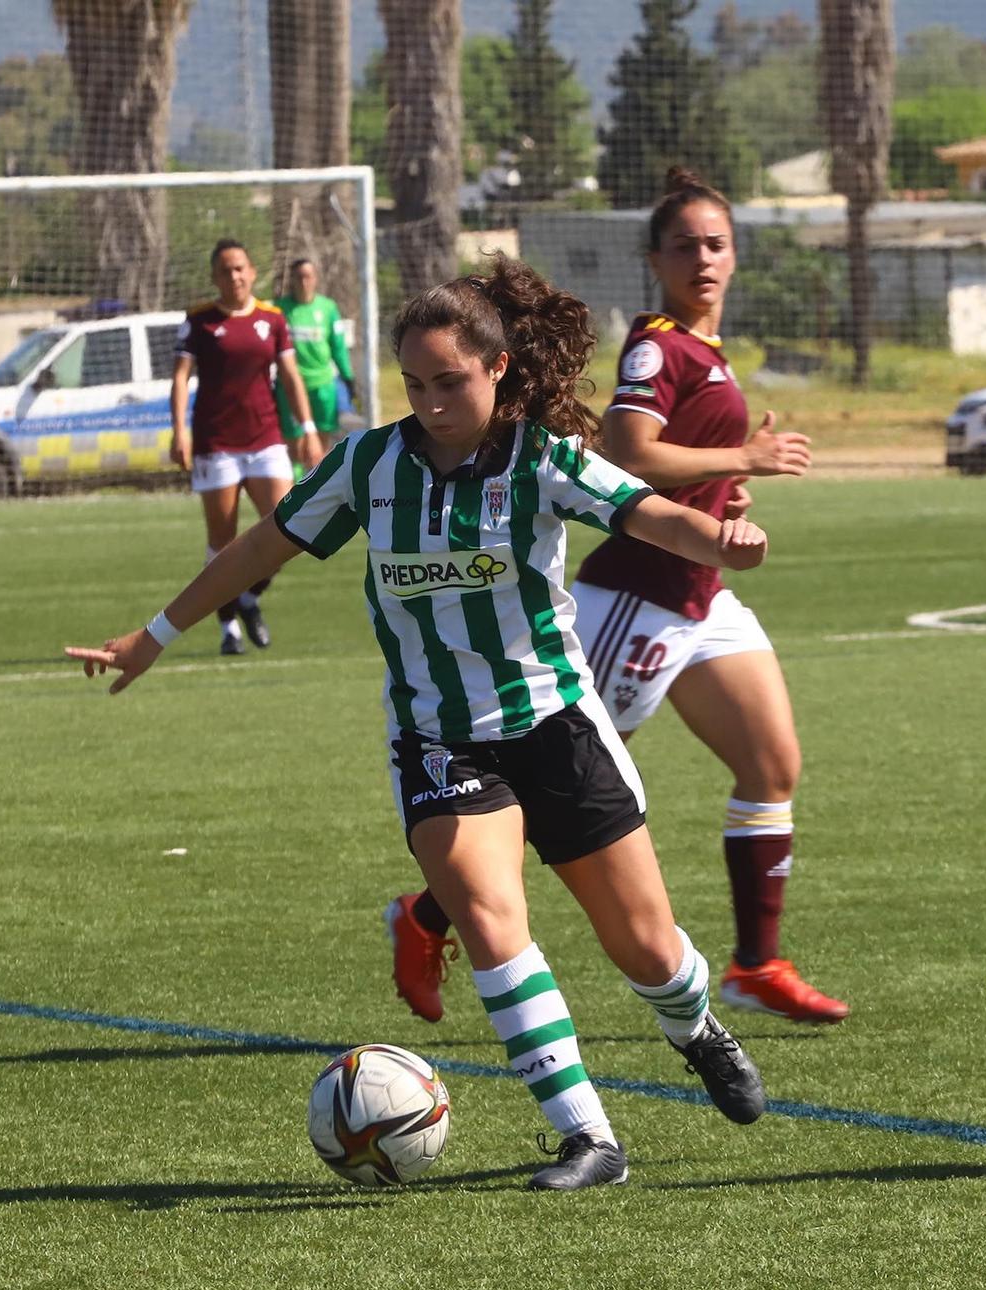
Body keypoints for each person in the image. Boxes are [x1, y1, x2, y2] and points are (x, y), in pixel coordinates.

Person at [71, 256, 771, 1191]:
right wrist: (154, 636)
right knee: (486, 912)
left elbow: (647, 515)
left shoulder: (543, 457)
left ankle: (697, 1029)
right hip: (441, 737)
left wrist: (719, 537)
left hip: (555, 724)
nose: (433, 402)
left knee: (645, 947)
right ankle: (586, 1136)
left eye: (452, 382)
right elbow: (261, 543)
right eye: (416, 384)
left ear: (499, 373)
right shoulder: (369, 464)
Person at [384, 168, 849, 1027]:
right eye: (685, 246)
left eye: (717, 243)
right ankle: (426, 913)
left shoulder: (705, 350)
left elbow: (678, 465)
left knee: (771, 764)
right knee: (552, 800)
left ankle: (756, 962)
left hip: (701, 596)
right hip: (639, 598)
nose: (703, 259)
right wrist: (743, 460)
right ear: (655, 259)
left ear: (737, 253)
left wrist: (722, 494)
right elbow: (632, 454)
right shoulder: (659, 347)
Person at [172, 238, 324, 657]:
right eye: (225, 270)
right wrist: (179, 430)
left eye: (240, 268)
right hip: (216, 444)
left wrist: (308, 428)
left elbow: (291, 376)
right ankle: (228, 630)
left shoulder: (272, 319)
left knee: (287, 531)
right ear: (214, 277)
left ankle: (248, 598)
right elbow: (181, 377)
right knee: (222, 543)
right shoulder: (199, 321)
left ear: (253, 272)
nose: (234, 276)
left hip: (266, 440)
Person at [274, 258, 358, 466]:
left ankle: (317, 491)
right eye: (299, 276)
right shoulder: (279, 309)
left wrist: (347, 376)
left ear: (315, 279)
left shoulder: (328, 308)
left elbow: (338, 347)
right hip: (290, 387)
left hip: (323, 386)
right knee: (295, 445)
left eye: (308, 276)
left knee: (320, 446)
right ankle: (293, 493)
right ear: (292, 280)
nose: (304, 281)